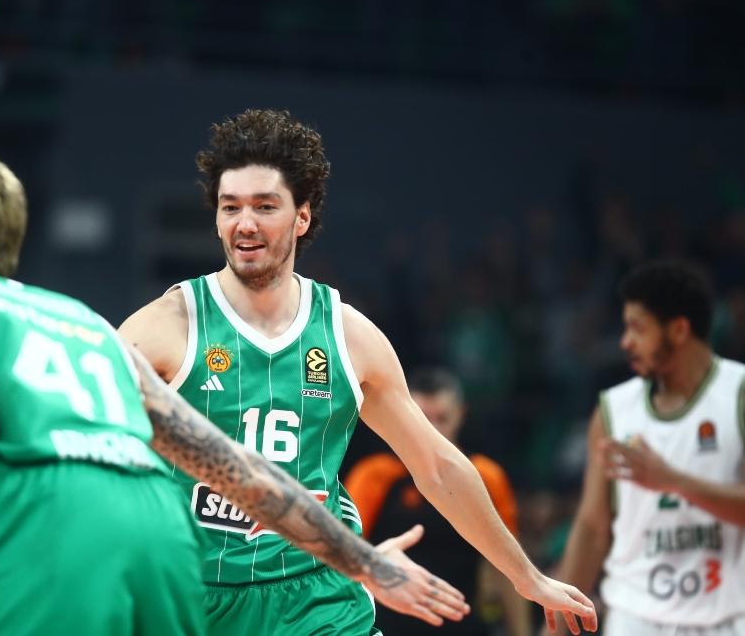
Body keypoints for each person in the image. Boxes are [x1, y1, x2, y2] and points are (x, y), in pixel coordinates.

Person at [0, 152, 473, 636]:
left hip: (50, 514)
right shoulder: (82, 324)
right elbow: (232, 467)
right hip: (160, 524)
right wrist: (361, 560)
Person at [119, 108, 597, 636]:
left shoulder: (349, 336)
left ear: (302, 217)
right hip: (195, 593)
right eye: (230, 207)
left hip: (317, 596)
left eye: (265, 206)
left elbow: (437, 466)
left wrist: (527, 576)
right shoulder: (164, 327)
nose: (245, 223)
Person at [547, 261, 745, 636]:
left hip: (726, 617)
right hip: (635, 617)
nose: (625, 342)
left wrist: (672, 481)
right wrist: (555, 628)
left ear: (679, 330)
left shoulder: (737, 394)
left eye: (638, 328)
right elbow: (592, 528)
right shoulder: (614, 410)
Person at [346, 368, 532, 636]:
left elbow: (509, 566)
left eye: (442, 418)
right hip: (387, 626)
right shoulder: (374, 474)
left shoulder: (486, 476)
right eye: (423, 418)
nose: (432, 429)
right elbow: (347, 553)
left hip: (462, 624)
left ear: (461, 413)